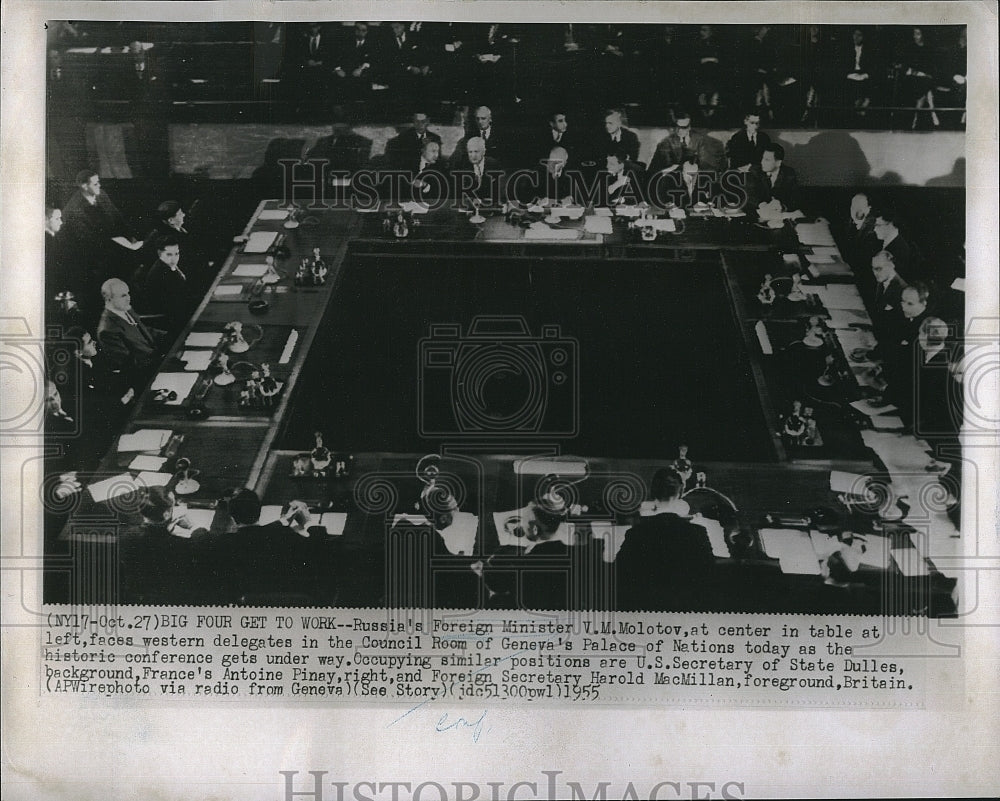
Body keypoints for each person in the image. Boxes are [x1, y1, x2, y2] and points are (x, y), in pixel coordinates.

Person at [614, 468, 716, 611]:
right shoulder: (697, 533)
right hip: (686, 610)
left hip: (645, 610)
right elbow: (709, 576)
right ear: (680, 494)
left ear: (653, 493)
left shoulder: (637, 533)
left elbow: (619, 575)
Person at [214, 488, 333, 602]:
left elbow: (256, 534)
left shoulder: (223, 543)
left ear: (232, 518)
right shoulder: (285, 536)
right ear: (259, 511)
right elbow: (321, 548)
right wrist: (307, 522)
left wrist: (284, 520)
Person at [61, 170, 144, 281]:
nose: (99, 185)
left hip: (114, 242)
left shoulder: (101, 194)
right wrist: (122, 244)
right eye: (95, 184)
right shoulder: (74, 210)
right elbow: (90, 241)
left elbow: (118, 218)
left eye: (99, 182)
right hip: (94, 254)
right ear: (84, 186)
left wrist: (131, 237)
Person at [95, 278, 166, 381]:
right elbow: (130, 364)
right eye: (123, 295)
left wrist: (170, 335)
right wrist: (162, 360)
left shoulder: (125, 309)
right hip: (148, 374)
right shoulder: (107, 331)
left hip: (158, 358)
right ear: (109, 299)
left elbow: (144, 331)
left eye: (128, 293)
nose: (128, 298)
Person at [131, 236, 198, 337]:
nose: (174, 258)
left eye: (177, 254)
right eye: (169, 254)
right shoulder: (160, 273)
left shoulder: (169, 266)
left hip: (180, 310)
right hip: (171, 318)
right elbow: (176, 303)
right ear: (159, 253)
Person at [896, 27, 939, 129]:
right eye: (914, 34)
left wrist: (926, 74)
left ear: (923, 35)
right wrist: (921, 74)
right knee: (927, 85)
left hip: (925, 79)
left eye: (918, 34)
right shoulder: (910, 48)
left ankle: (915, 119)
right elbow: (907, 68)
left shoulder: (928, 49)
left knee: (926, 84)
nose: (915, 36)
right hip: (912, 78)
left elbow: (931, 67)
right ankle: (932, 111)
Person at [647, 111, 712, 178]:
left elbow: (705, 164)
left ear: (689, 127)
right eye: (677, 127)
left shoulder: (700, 141)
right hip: (671, 179)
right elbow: (665, 165)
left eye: (684, 128)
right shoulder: (665, 143)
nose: (679, 131)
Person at [746, 143, 801, 218]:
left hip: (779, 215)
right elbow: (749, 193)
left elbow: (794, 198)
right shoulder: (755, 170)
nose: (762, 162)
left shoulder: (789, 173)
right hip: (758, 215)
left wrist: (782, 206)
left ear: (778, 163)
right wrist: (763, 205)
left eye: (767, 160)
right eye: (762, 158)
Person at [452, 136, 503, 206]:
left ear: (483, 152)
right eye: (470, 152)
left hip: (489, 205)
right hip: (469, 206)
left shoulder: (493, 164)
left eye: (476, 151)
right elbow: (459, 190)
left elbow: (498, 190)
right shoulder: (462, 165)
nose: (473, 155)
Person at [872, 207, 917, 281]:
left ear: (890, 225)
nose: (874, 229)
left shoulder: (899, 248)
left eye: (878, 225)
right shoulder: (891, 243)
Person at [843, 28, 877, 116]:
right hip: (850, 75)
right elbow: (843, 66)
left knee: (868, 86)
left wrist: (865, 75)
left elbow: (872, 67)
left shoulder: (869, 50)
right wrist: (849, 74)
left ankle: (862, 110)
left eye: (859, 35)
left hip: (863, 75)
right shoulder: (847, 49)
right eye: (855, 34)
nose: (856, 37)